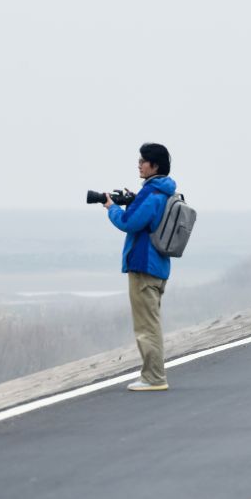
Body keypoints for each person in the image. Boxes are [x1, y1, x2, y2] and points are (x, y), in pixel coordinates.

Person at [102, 142, 178, 391]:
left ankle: (154, 377)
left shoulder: (151, 193)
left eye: (143, 160)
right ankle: (152, 374)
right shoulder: (165, 191)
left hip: (144, 266)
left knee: (146, 326)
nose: (139, 164)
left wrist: (112, 208)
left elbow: (128, 222)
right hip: (158, 265)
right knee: (151, 322)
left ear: (154, 165)